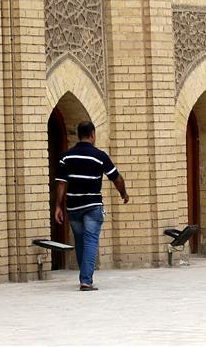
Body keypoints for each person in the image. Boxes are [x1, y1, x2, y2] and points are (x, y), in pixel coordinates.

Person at [54, 120, 129, 291]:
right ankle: (86, 280)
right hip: (92, 206)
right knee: (90, 241)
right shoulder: (99, 156)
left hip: (73, 207)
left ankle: (85, 276)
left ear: (78, 135)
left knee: (81, 242)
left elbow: (61, 183)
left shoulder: (66, 156)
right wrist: (123, 193)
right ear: (93, 135)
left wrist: (57, 206)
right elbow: (116, 178)